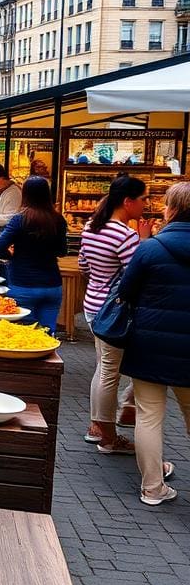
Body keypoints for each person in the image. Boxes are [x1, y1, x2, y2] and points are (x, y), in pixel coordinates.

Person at [118, 182, 190, 505]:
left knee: (148, 416)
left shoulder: (150, 248)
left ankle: (152, 488)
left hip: (149, 341)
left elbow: (126, 291)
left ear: (171, 208)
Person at [78, 175, 150, 452]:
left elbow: (84, 265)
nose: (146, 205)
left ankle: (99, 427)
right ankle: (103, 432)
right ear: (127, 201)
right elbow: (137, 276)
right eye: (143, 199)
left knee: (104, 368)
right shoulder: (126, 235)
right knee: (109, 372)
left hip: (93, 304)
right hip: (114, 309)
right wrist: (144, 242)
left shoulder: (90, 228)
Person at [0, 176, 68, 334]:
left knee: (23, 335)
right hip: (52, 285)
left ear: (25, 194)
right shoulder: (58, 219)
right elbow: (62, 251)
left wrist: (13, 257)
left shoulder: (20, 219)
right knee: (47, 334)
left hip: (23, 283)